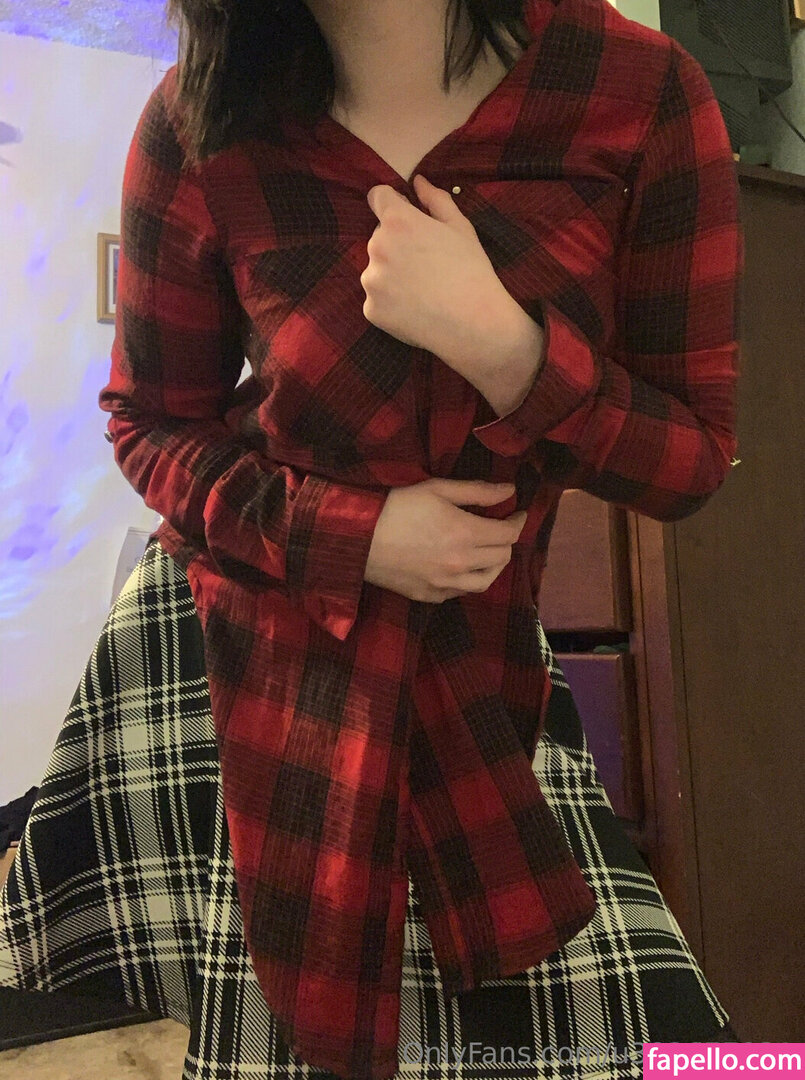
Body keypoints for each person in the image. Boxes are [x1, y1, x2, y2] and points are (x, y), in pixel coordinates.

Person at [0, 0, 743, 1076]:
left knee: (670, 1050)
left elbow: (688, 458)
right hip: (216, 661)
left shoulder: (636, 91)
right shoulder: (199, 117)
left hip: (476, 664)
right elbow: (149, 422)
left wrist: (505, 348)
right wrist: (354, 533)